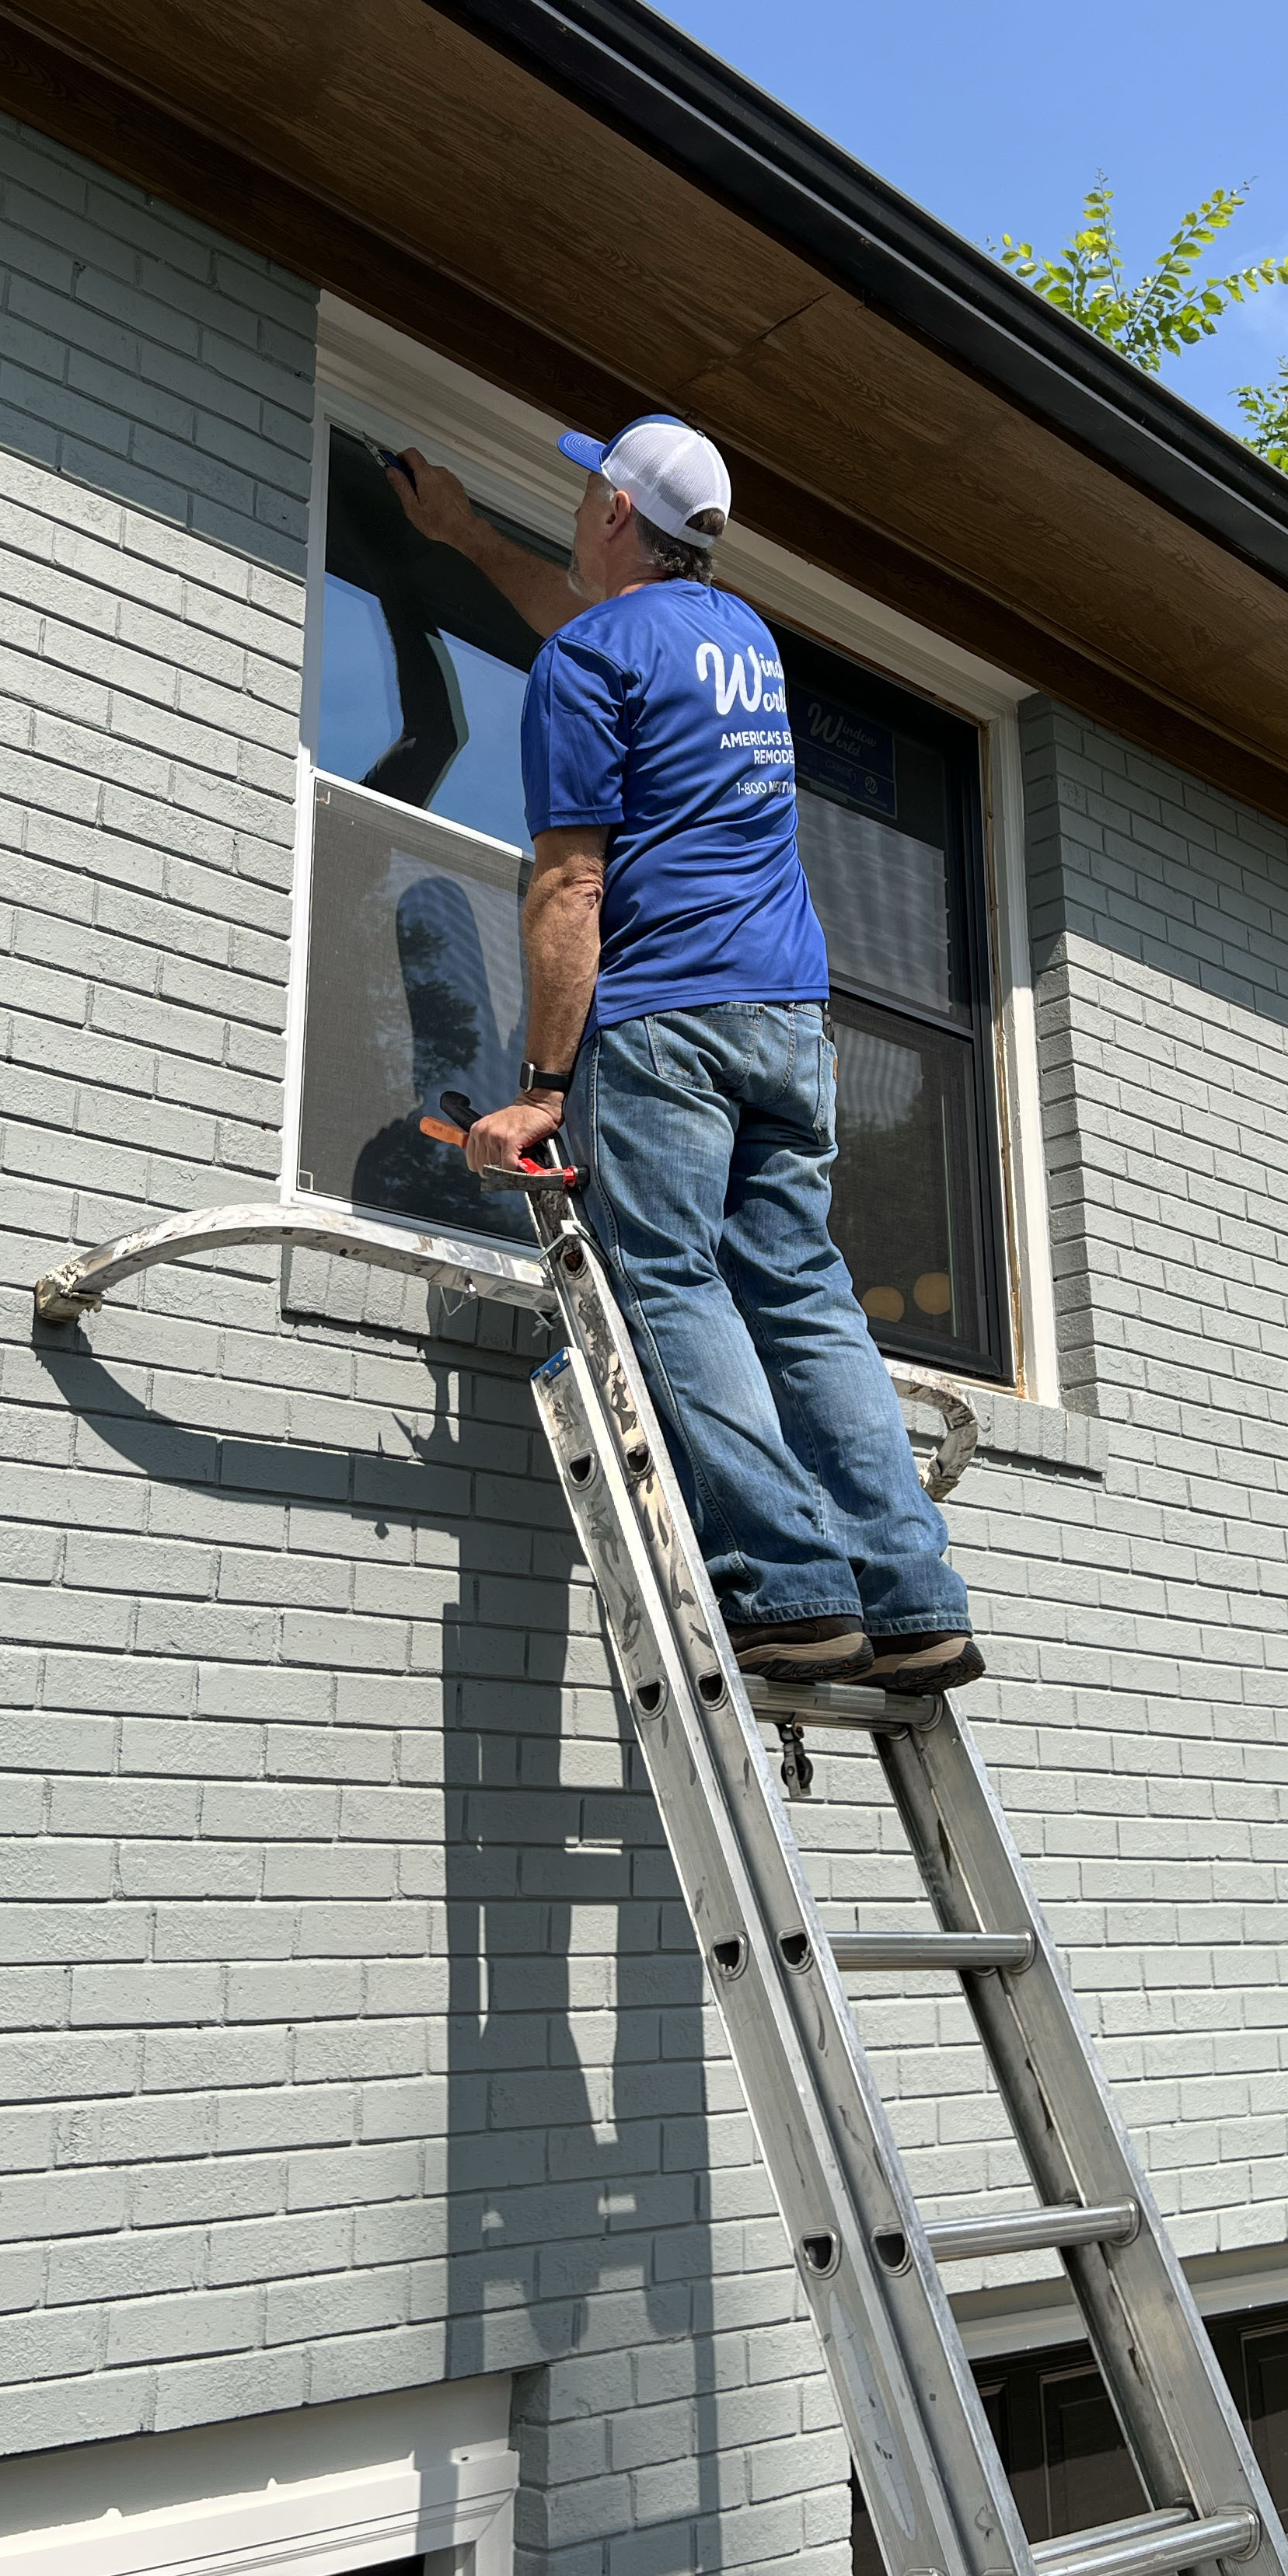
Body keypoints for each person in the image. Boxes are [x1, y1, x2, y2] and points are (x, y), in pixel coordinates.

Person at [384, 417, 980, 1697]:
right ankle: (912, 1594)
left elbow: (568, 885)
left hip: (671, 1019)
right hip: (788, 1014)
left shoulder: (593, 658)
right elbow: (593, 632)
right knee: (807, 1298)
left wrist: (542, 1091)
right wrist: (470, 539)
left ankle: (786, 1588)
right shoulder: (740, 640)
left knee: (668, 1277)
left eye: (584, 491)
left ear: (609, 509)